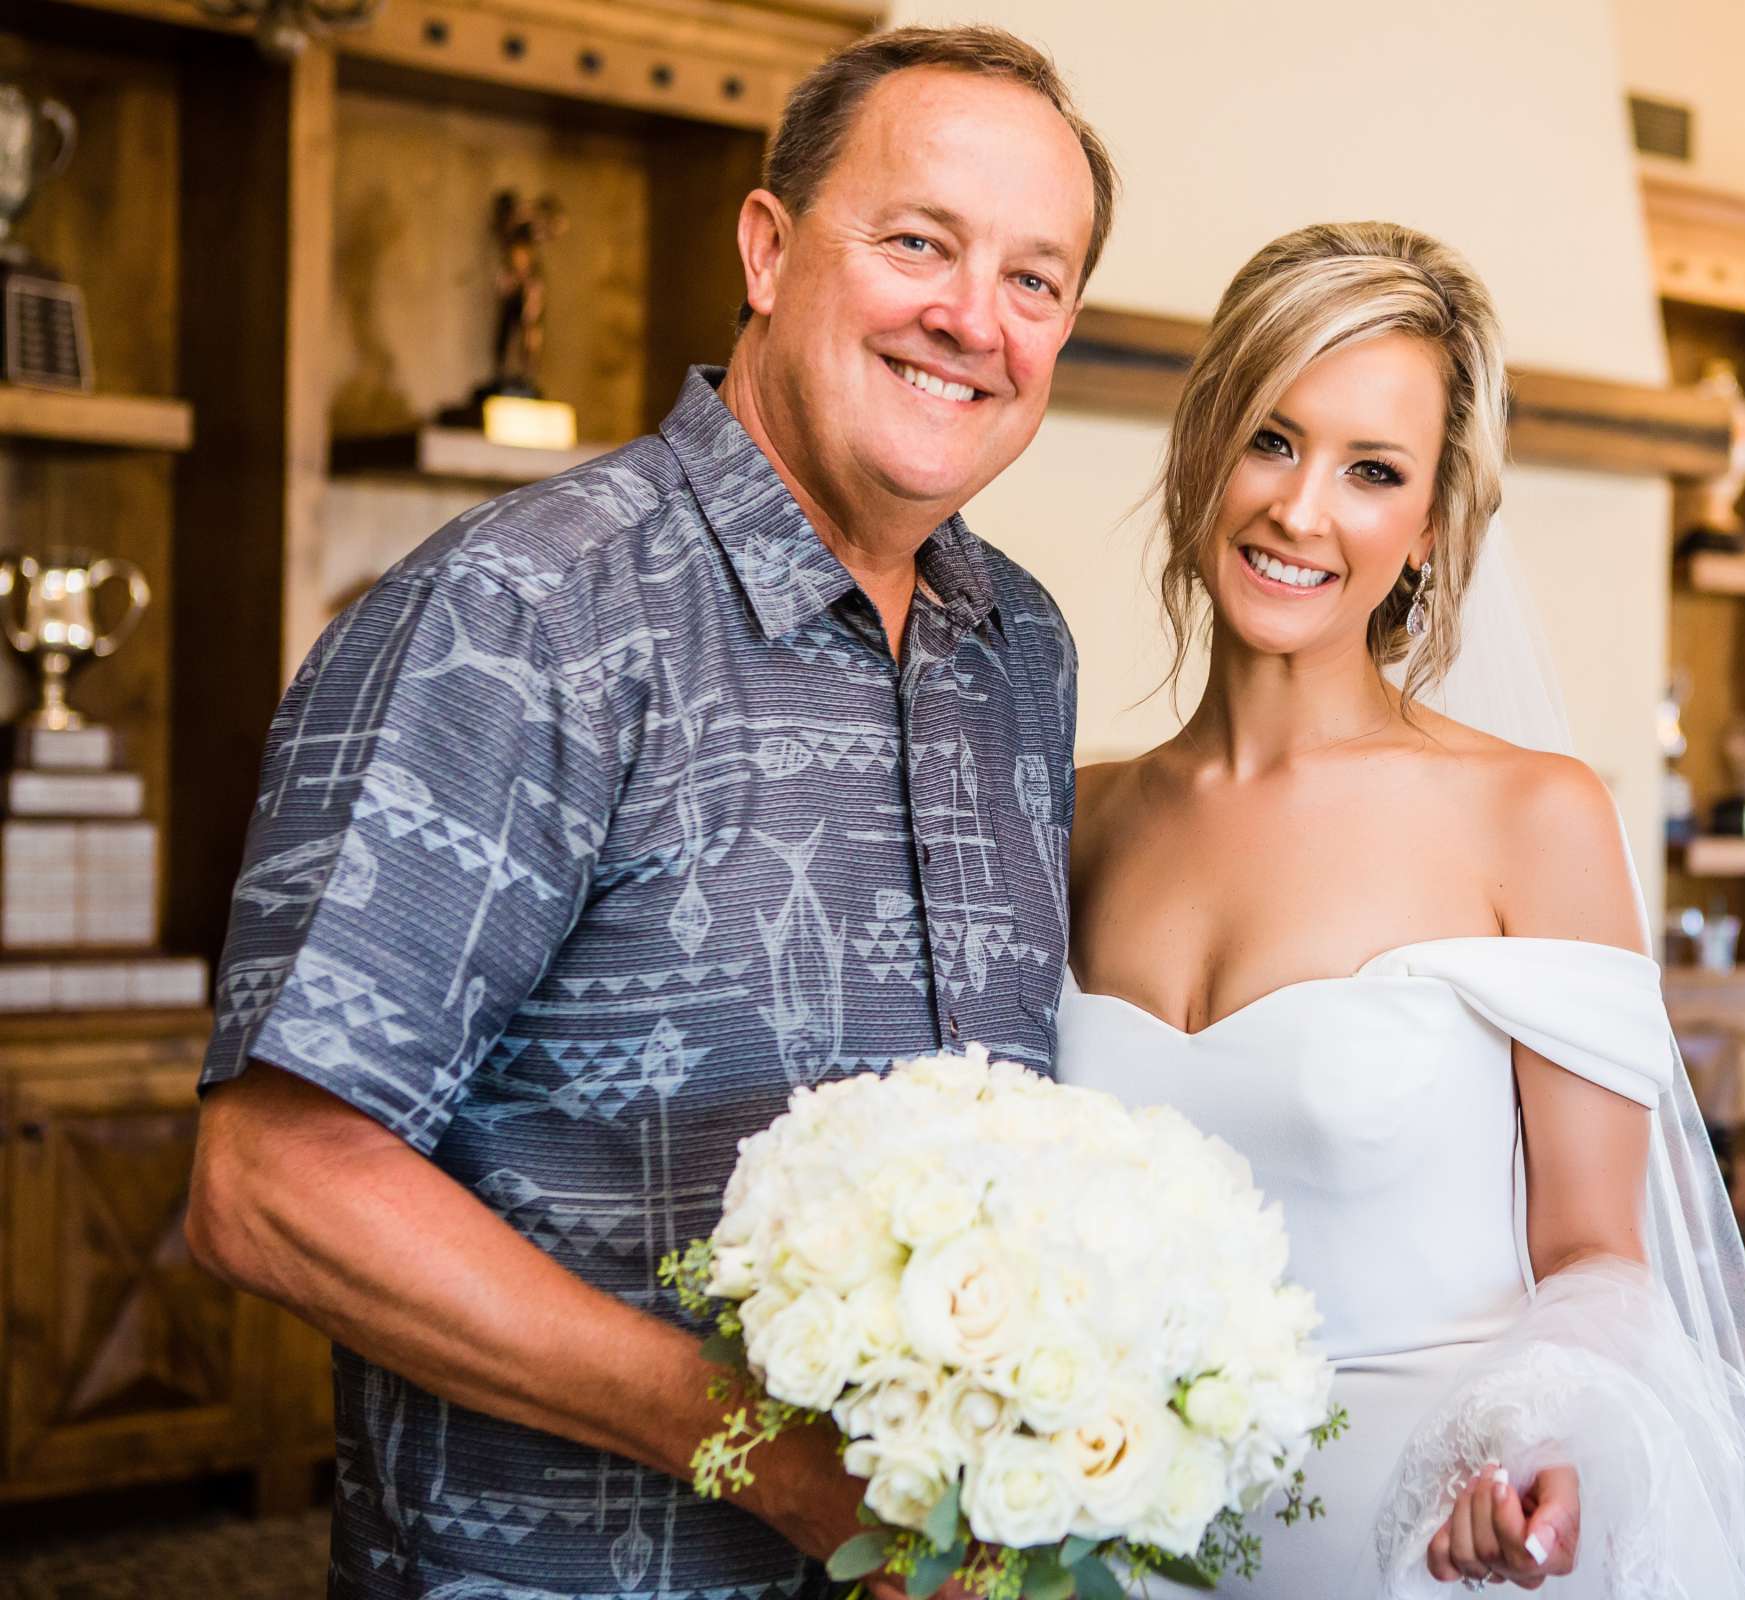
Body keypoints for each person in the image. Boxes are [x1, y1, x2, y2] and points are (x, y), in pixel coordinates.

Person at [183, 26, 1114, 1600]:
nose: (973, 319)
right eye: (917, 243)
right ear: (766, 248)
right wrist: (761, 1456)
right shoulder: (521, 613)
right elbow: (275, 1186)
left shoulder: (1019, 652)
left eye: (1035, 280)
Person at [1054, 222, 1745, 1597]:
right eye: (1272, 438)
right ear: (1203, 450)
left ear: (1427, 526)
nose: (1304, 512)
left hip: (1423, 1545)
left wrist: (1530, 1441)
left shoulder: (1531, 816)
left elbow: (1600, 1252)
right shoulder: (1073, 818)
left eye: (1374, 472)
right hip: (1125, 1547)